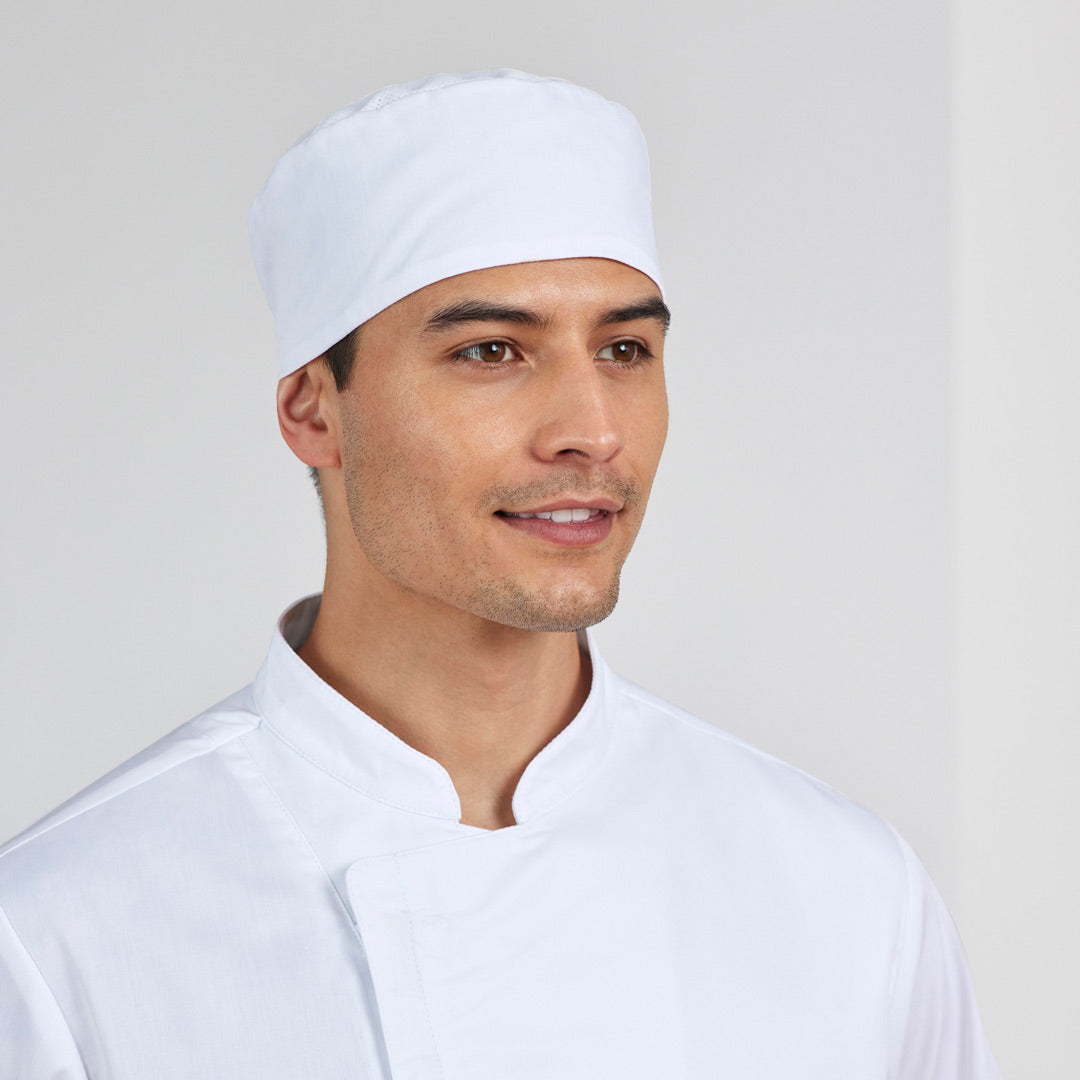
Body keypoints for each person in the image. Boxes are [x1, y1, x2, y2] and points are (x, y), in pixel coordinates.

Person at [0, 70, 998, 1078]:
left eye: (624, 349)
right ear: (314, 412)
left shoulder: (848, 892)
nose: (592, 431)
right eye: (491, 351)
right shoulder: (63, 932)